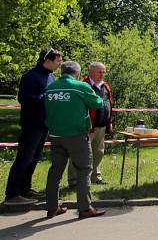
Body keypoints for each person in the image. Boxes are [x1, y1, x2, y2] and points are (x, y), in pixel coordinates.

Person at [43, 61, 105, 219]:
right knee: (84, 170)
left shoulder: (51, 88)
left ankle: (52, 207)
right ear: (77, 73)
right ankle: (84, 208)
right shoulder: (80, 86)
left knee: (55, 171)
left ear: (61, 72)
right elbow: (97, 103)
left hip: (55, 135)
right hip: (76, 135)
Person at [3, 48, 62, 207]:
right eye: (57, 60)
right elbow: (24, 98)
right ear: (47, 61)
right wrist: (46, 97)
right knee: (24, 158)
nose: (60, 63)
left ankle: (25, 189)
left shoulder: (50, 75)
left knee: (35, 157)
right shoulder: (30, 76)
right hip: (31, 124)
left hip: (44, 124)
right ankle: (12, 194)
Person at [67, 62, 113, 187]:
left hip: (101, 126)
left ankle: (94, 176)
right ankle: (74, 180)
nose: (102, 74)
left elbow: (109, 104)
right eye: (100, 72)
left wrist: (109, 122)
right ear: (91, 71)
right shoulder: (82, 85)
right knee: (79, 153)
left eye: (104, 72)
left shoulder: (105, 86)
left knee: (98, 152)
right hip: (86, 126)